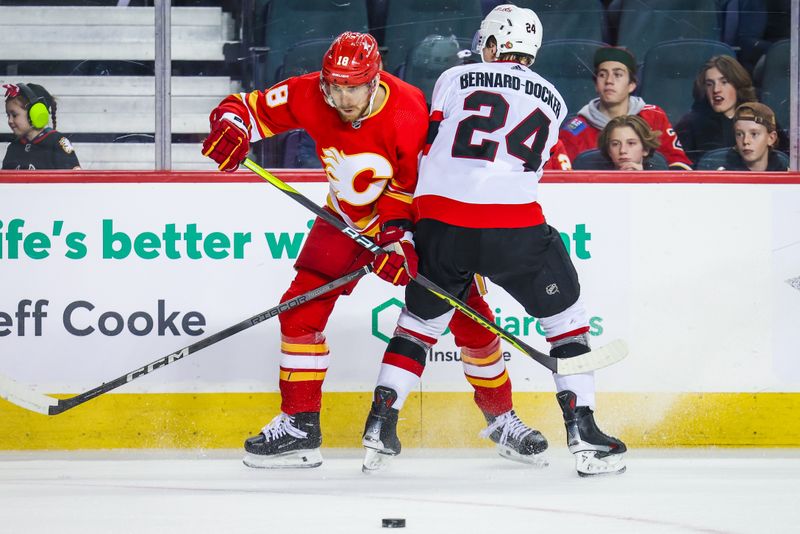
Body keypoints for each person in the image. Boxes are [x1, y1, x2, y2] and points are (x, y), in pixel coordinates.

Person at [201, 31, 546, 469]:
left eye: (353, 87)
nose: (343, 98)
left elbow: (415, 188)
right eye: (336, 87)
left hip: (414, 227)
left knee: (471, 316)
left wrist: (396, 240)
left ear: (375, 79)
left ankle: (501, 419)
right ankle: (299, 427)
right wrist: (230, 128)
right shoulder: (312, 92)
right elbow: (246, 108)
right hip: (344, 219)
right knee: (299, 309)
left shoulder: (409, 109)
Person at [361, 5, 626, 477]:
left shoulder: (451, 78)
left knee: (418, 325)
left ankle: (381, 422)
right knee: (567, 322)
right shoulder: (555, 98)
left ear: (489, 45)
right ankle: (583, 430)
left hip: (441, 224)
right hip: (514, 227)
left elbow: (432, 140)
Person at [558, 46, 692, 171]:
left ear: (632, 85)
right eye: (602, 75)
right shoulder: (574, 131)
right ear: (596, 85)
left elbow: (680, 166)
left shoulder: (654, 116)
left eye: (618, 75)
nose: (609, 81)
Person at [674, 55, 758, 166]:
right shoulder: (689, 125)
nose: (716, 90)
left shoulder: (759, 117)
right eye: (709, 84)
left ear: (737, 85)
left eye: (724, 82)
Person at [3, 83, 80, 170]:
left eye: (14, 115)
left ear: (35, 113)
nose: (10, 121)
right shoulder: (13, 147)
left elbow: (74, 179)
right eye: (8, 115)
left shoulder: (57, 142)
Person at [710, 102, 788, 171]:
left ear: (771, 138)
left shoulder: (788, 180)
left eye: (754, 134)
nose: (745, 141)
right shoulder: (722, 178)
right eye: (739, 134)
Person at [597, 115, 662, 171]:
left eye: (631, 143)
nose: (622, 150)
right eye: (615, 144)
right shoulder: (595, 183)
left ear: (646, 149)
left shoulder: (661, 182)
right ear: (609, 151)